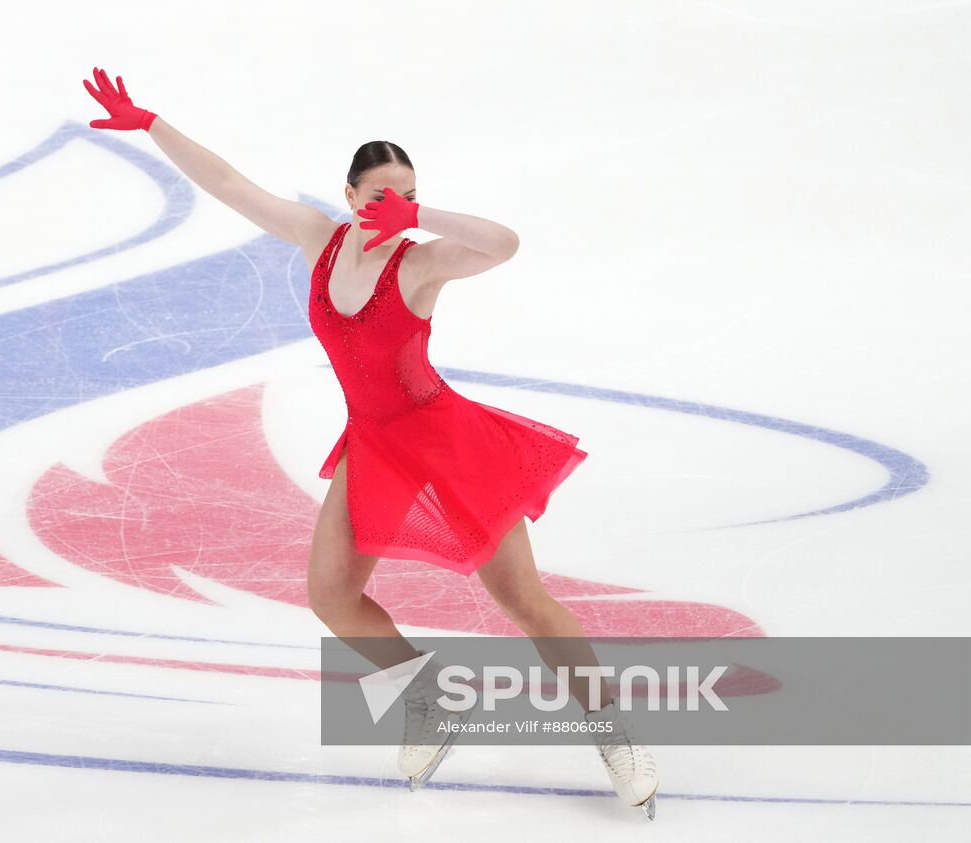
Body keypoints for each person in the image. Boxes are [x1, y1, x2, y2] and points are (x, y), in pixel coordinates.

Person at [82, 66, 658, 819]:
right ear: (351, 196)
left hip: (446, 440)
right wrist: (152, 122)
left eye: (406, 194)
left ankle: (616, 737)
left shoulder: (420, 261)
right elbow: (228, 182)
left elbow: (504, 244)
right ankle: (426, 697)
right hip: (374, 445)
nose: (394, 206)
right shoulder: (319, 240)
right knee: (330, 594)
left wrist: (419, 216)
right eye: (380, 194)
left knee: (521, 597)